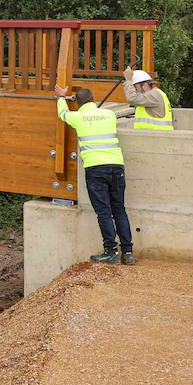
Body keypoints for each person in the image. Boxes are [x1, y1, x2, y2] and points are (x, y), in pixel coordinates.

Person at [55, 85, 132, 265]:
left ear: (78, 102)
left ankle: (110, 251)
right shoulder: (109, 115)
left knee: (104, 211)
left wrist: (61, 97)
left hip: (96, 169)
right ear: (93, 98)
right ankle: (127, 252)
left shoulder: (78, 117)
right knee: (119, 209)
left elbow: (63, 114)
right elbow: (97, 115)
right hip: (116, 166)